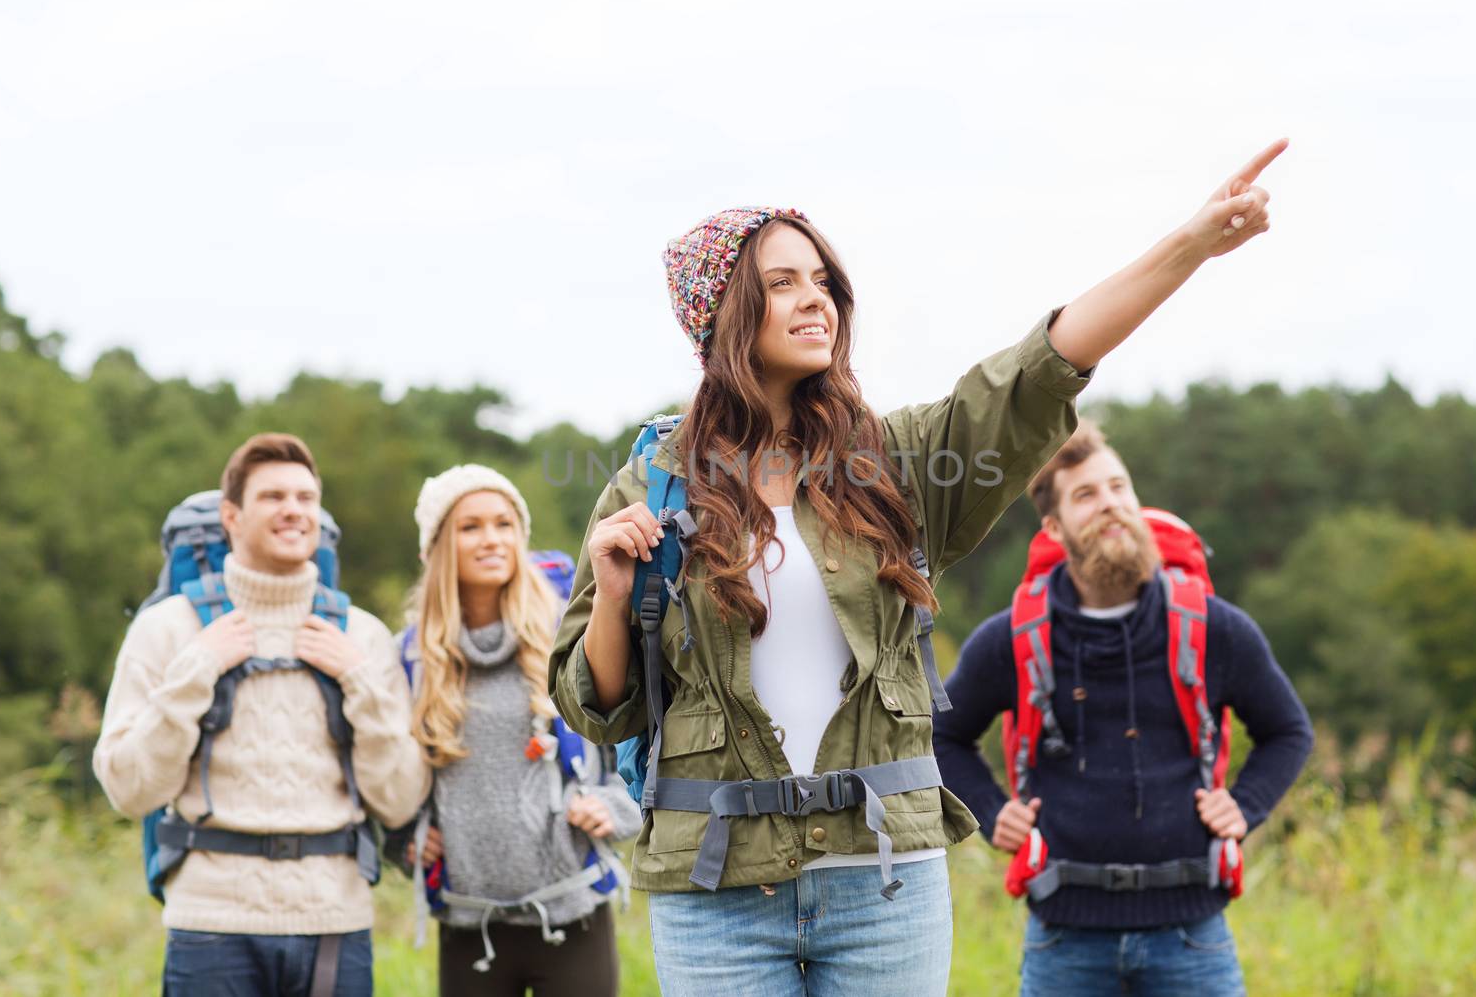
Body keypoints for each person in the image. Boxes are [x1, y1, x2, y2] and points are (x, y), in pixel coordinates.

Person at [548, 139, 1289, 995]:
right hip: (714, 891)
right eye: (781, 282)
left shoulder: (897, 464)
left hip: (883, 881)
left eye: (822, 280)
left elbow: (1037, 371)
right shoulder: (653, 482)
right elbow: (596, 710)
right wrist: (611, 594)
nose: (814, 298)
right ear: (718, 311)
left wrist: (1190, 244)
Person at [933, 421, 1314, 995]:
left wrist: (1246, 805)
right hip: (1063, 940)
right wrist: (991, 812)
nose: (1111, 505)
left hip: (1192, 936)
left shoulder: (1213, 627)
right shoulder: (1012, 637)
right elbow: (941, 736)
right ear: (1055, 528)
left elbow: (1289, 730)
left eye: (1119, 487)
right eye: (1087, 495)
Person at [93, 432, 430, 996]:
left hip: (334, 924)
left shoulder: (362, 637)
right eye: (273, 496)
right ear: (232, 515)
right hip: (210, 926)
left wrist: (359, 683)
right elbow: (128, 789)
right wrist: (197, 669)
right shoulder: (168, 629)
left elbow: (398, 800)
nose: (294, 509)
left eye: (306, 497)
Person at [390, 464, 640, 996]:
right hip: (469, 923)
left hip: (574, 911)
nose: (491, 540)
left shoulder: (568, 637)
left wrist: (614, 806)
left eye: (504, 524)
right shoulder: (410, 659)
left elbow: (633, 741)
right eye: (470, 527)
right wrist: (401, 839)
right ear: (435, 547)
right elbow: (386, 772)